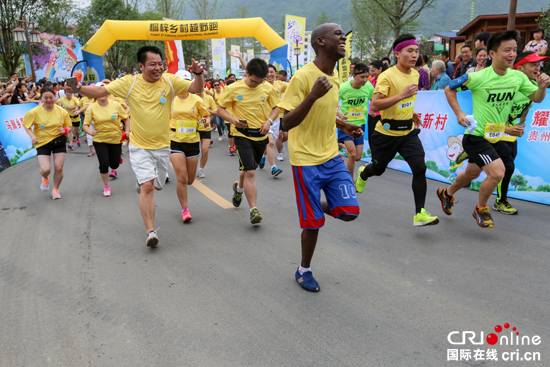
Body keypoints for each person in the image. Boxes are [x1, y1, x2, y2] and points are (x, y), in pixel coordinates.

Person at [77, 45, 204, 248]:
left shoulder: (170, 81)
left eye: (160, 64)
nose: (158, 68)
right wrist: (79, 88)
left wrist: (198, 73)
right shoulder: (129, 82)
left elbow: (196, 89)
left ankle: (144, 181)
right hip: (139, 145)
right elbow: (101, 90)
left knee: (158, 185)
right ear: (141, 65)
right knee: (148, 186)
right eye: (152, 64)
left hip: (163, 146)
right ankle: (150, 231)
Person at [279, 23, 363, 292]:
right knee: (313, 224)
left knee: (350, 212)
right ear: (320, 42)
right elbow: (286, 122)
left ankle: (315, 204)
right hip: (305, 159)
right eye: (337, 35)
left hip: (331, 155)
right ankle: (304, 269)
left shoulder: (335, 73)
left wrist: (344, 125)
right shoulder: (303, 77)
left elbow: (325, 113)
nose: (343, 39)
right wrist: (312, 96)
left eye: (344, 35)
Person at [436, 31, 549, 228]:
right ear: (492, 54)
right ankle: (481, 208)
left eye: (514, 50)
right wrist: (459, 113)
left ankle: (446, 194)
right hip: (477, 136)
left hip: (497, 135)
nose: (512, 54)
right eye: (507, 50)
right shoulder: (478, 77)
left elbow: (537, 98)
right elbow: (450, 88)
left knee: (471, 174)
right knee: (498, 173)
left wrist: (541, 87)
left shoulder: (517, 78)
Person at [355, 33, 439, 227]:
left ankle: (420, 213)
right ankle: (363, 174)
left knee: (420, 167)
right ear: (397, 53)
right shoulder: (387, 76)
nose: (414, 55)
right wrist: (402, 95)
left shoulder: (416, 74)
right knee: (378, 169)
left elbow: (405, 102)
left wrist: (411, 114)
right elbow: (375, 105)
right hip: (386, 134)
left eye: (417, 52)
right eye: (410, 51)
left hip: (408, 133)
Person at [217, 58, 280, 224]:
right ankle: (254, 210)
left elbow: (277, 107)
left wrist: (269, 122)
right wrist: (232, 119)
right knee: (251, 171)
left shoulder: (266, 87)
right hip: (242, 135)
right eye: (253, 81)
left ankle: (238, 188)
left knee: (247, 170)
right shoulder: (233, 89)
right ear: (246, 73)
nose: (255, 85)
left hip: (261, 136)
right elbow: (220, 109)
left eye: (259, 82)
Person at [493, 51, 549, 214]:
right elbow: (490, 114)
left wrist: (522, 123)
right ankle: (500, 201)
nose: (537, 67)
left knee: (495, 167)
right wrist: (506, 128)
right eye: (534, 64)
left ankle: (472, 153)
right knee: (507, 167)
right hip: (495, 130)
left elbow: (533, 102)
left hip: (511, 132)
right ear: (521, 67)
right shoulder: (506, 82)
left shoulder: (530, 86)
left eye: (539, 64)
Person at [169, 70, 210, 222]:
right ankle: (185, 209)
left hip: (192, 141)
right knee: (181, 177)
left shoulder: (196, 99)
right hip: (175, 140)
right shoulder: (170, 100)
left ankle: (185, 202)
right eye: (181, 81)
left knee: (190, 180)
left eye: (186, 81)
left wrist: (206, 120)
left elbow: (206, 115)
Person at [23, 87, 71, 200]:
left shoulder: (61, 111)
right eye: (45, 98)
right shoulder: (34, 112)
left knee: (59, 167)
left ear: (55, 98)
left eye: (51, 97)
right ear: (41, 98)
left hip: (58, 141)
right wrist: (33, 136)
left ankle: (55, 189)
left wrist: (65, 130)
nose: (49, 100)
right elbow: (26, 125)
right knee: (46, 169)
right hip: (42, 142)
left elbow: (68, 126)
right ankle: (45, 177)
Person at [82, 82, 129, 197]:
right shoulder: (91, 107)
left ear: (108, 93)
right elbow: (85, 125)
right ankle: (106, 185)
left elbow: (126, 119)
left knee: (114, 164)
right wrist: (90, 132)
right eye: (99, 91)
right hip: (100, 139)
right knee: (104, 163)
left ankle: (118, 158)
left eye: (104, 90)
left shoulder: (116, 105)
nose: (102, 93)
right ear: (95, 94)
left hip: (115, 138)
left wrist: (127, 132)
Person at [337, 63, 373, 181]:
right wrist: (340, 115)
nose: (365, 80)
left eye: (366, 77)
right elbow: (332, 104)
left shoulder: (368, 86)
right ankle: (350, 180)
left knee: (357, 157)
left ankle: (340, 144)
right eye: (362, 77)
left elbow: (374, 99)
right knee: (351, 154)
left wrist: (374, 110)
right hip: (345, 125)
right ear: (353, 75)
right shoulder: (343, 87)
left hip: (360, 125)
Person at [258, 64, 285, 177]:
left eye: (272, 72)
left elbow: (296, 86)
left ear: (276, 74)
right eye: (267, 72)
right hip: (265, 119)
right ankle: (273, 168)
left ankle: (263, 156)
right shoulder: (261, 85)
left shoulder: (280, 85)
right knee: (270, 142)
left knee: (268, 144)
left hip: (277, 119)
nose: (269, 74)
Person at [196, 85, 218, 179]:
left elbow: (216, 113)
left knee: (205, 150)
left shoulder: (209, 98)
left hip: (205, 129)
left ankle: (201, 169)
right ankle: (190, 168)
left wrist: (207, 111)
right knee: (194, 152)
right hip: (194, 129)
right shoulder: (191, 98)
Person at [56, 84, 82, 150]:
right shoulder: (62, 99)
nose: (68, 94)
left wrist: (72, 108)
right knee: (70, 130)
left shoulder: (75, 99)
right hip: (68, 118)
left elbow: (78, 105)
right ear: (65, 93)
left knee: (76, 132)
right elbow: (56, 103)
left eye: (70, 92)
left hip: (75, 117)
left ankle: (78, 139)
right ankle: (71, 144)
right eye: (67, 92)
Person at [367, 60, 387, 142]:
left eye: (373, 71)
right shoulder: (373, 80)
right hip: (371, 113)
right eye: (370, 71)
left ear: (380, 69)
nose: (371, 73)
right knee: (371, 138)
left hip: (380, 114)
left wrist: (375, 110)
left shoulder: (384, 81)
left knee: (377, 139)